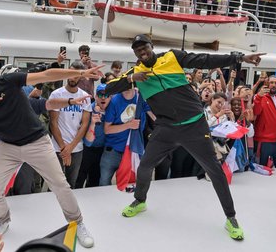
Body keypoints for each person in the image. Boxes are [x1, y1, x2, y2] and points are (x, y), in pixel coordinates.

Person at [104, 34, 265, 241]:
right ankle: (140, 200)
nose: (142, 52)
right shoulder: (135, 72)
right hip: (166, 129)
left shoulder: (171, 57)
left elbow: (205, 59)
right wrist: (130, 79)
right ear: (135, 54)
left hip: (195, 126)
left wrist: (239, 58)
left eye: (144, 47)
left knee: (215, 171)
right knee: (145, 166)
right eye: (137, 50)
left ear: (151, 46)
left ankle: (231, 218)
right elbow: (107, 89)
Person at [0, 57, 104, 248]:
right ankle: (3, 219)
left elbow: (45, 75)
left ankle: (77, 222)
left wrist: (80, 73)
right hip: (8, 147)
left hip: (36, 142)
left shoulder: (6, 81)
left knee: (60, 185)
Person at [48, 61, 93, 189]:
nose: (72, 78)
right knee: (56, 184)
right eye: (71, 74)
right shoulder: (57, 94)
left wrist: (70, 148)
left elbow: (84, 124)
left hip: (76, 148)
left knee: (71, 183)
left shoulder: (85, 96)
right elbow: (53, 123)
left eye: (76, 75)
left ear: (81, 76)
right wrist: (64, 148)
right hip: (58, 147)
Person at [99, 87, 150, 186]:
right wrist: (129, 125)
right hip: (113, 151)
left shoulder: (140, 98)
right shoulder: (114, 101)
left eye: (128, 85)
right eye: (123, 85)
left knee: (132, 184)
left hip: (134, 150)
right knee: (104, 183)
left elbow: (154, 116)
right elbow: (107, 129)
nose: (126, 88)